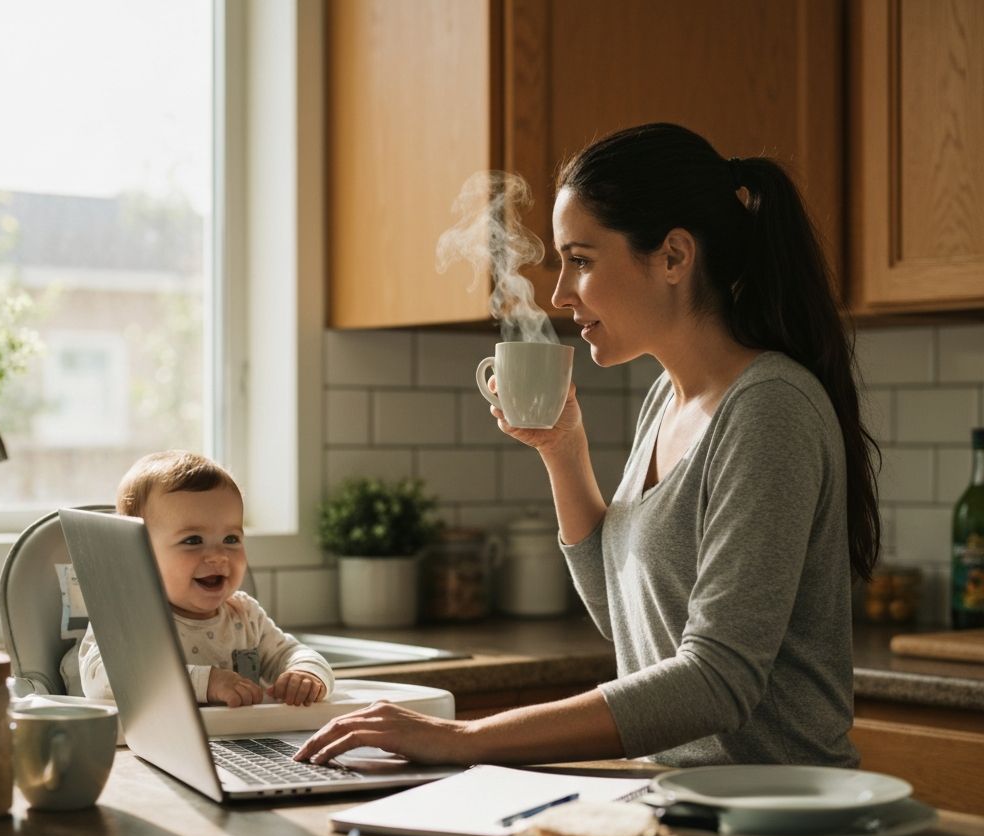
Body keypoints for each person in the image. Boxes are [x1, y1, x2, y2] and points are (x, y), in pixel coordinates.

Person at [295, 122, 879, 769]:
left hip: (782, 809)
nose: (559, 294)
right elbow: (620, 614)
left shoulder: (769, 408)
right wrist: (562, 451)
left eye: (581, 260)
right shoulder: (665, 400)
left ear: (674, 257)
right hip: (680, 801)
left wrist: (465, 738)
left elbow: (718, 680)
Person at [78, 450, 335, 708]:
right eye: (193, 540)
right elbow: (101, 679)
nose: (218, 556)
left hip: (245, 734)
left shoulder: (245, 615)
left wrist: (306, 672)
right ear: (137, 554)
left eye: (231, 539)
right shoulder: (129, 616)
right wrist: (207, 682)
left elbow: (290, 653)